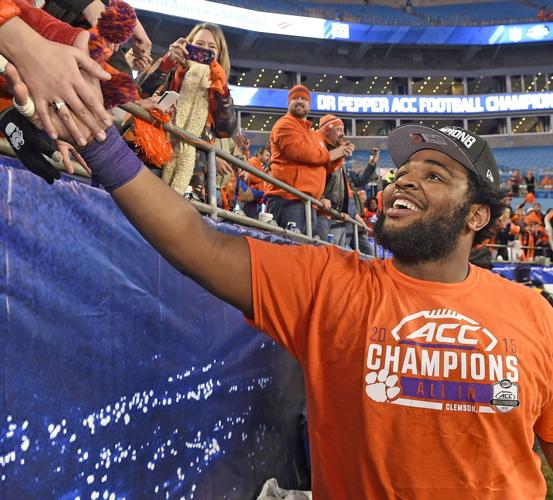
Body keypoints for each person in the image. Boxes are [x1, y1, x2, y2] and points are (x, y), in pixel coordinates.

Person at [6, 78, 553, 498]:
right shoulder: (329, 282)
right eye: (405, 169)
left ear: (477, 215)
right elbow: (197, 242)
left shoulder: (535, 315)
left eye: (435, 175)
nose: (405, 179)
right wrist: (101, 142)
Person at [139, 22, 237, 196]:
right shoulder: (171, 69)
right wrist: (168, 62)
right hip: (155, 157)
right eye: (199, 44)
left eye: (212, 47)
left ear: (219, 54)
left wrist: (220, 87)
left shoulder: (219, 87)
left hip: (195, 173)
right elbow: (142, 91)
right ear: (188, 44)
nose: (205, 50)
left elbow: (226, 129)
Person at [265, 86, 350, 234]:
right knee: (291, 249)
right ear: (288, 103)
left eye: (304, 99)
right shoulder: (284, 124)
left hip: (308, 202)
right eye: (295, 98)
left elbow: (325, 166)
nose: (300, 101)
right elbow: (300, 152)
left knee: (304, 250)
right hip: (288, 198)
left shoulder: (314, 135)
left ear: (309, 105)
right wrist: (331, 155)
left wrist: (339, 156)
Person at [314, 114, 355, 243]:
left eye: (343, 129)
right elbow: (315, 175)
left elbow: (341, 186)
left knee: (336, 255)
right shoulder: (318, 148)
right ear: (327, 130)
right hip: (322, 211)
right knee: (322, 252)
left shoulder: (336, 151)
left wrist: (344, 210)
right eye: (338, 129)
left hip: (336, 214)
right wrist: (320, 199)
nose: (342, 134)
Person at [243, 145, 270, 219]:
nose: (268, 158)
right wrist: (264, 176)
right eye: (267, 155)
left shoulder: (260, 165)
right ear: (259, 154)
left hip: (257, 200)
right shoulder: (252, 161)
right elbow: (251, 178)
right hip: (252, 199)